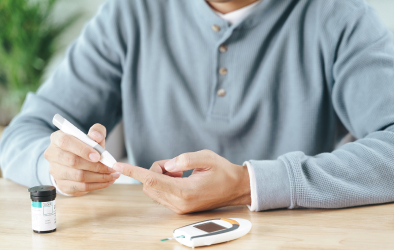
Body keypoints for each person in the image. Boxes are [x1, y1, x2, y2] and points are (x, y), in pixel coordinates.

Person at [1, 0, 394, 214]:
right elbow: (22, 133)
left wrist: (250, 184)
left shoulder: (343, 17)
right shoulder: (130, 12)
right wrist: (54, 164)